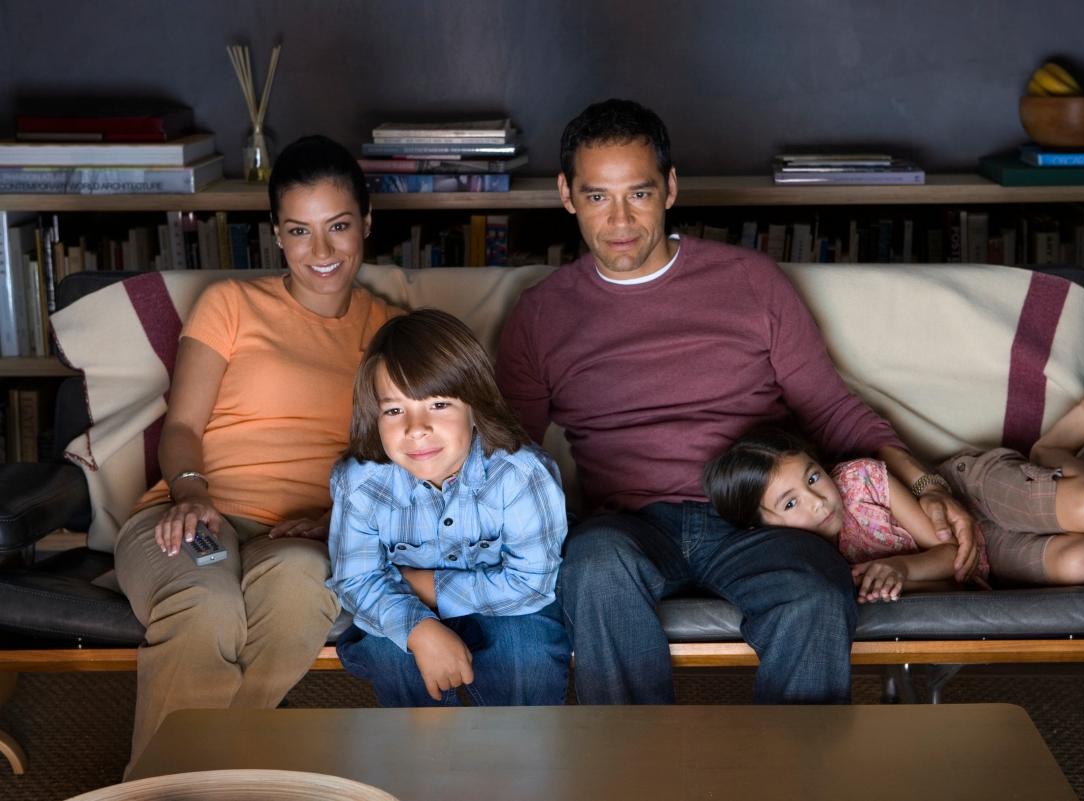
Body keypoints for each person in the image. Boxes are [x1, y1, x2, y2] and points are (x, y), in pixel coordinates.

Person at [495, 98, 980, 705]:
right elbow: (508, 451)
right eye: (597, 197)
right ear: (567, 195)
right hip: (629, 526)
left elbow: (831, 409)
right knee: (593, 568)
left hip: (760, 517)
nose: (620, 220)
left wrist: (930, 487)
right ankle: (625, 776)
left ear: (670, 188)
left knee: (814, 595)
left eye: (639, 194)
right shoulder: (541, 315)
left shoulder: (750, 282)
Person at [113, 134, 393, 770]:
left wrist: (336, 523)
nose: (319, 252)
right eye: (299, 231)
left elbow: (397, 461)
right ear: (276, 233)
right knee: (205, 604)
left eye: (339, 226)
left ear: (367, 224)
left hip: (304, 533)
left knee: (300, 588)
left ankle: (193, 776)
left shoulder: (388, 333)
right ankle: (171, 785)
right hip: (195, 510)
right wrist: (190, 493)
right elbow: (181, 426)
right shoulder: (231, 305)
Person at [328, 309, 571, 707]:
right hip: (402, 607)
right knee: (392, 651)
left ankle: (520, 762)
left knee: (527, 655)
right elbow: (357, 580)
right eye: (394, 410)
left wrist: (428, 586)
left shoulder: (523, 474)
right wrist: (420, 628)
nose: (416, 428)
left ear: (476, 406)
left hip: (513, 609)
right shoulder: (361, 483)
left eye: (438, 405)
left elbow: (531, 585)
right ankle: (425, 763)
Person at [705, 396, 1084, 603]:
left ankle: (1049, 453)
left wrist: (899, 567)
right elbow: (954, 581)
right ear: (764, 527)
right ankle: (1061, 485)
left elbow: (948, 548)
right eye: (790, 504)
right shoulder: (817, 566)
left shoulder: (859, 481)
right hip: (984, 560)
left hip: (970, 495)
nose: (817, 500)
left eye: (812, 477)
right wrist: (897, 579)